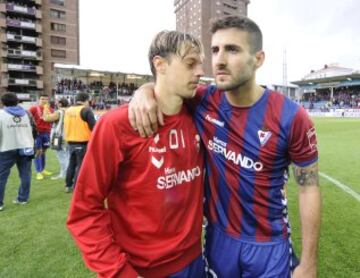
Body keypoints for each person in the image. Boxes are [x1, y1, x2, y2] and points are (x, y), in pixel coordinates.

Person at [129, 16, 321, 278]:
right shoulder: (203, 100)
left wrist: (309, 262)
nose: (218, 60)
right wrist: (144, 90)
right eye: (216, 49)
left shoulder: (291, 117)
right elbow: (166, 85)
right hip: (218, 240)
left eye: (232, 49)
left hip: (269, 244)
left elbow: (309, 187)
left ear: (258, 59)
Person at [67, 31, 206, 277]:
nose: (199, 72)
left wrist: (146, 88)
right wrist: (119, 272)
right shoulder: (116, 125)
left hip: (195, 260)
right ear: (160, 64)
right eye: (190, 63)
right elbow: (85, 210)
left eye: (201, 64)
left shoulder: (200, 112)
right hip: (141, 269)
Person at [0, 93, 35, 211]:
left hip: (6, 148)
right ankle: (23, 198)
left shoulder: (1, 114)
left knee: (1, 177)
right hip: (26, 147)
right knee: (25, 174)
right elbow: (35, 129)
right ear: (17, 101)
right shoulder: (27, 113)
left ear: (3, 102)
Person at [63, 91, 95, 193]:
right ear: (86, 100)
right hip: (82, 142)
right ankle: (77, 187)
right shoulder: (86, 110)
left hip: (70, 142)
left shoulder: (68, 110)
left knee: (71, 164)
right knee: (81, 166)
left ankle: (68, 185)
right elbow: (94, 127)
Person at [28, 94, 55, 180]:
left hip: (47, 133)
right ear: (39, 100)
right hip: (37, 134)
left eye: (46, 99)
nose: (44, 100)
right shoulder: (34, 108)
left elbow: (52, 120)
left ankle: (42, 169)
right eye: (42, 99)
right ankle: (38, 172)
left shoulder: (50, 109)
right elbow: (27, 117)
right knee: (38, 152)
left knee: (44, 151)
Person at [42, 98, 69, 180]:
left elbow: (46, 118)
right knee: (67, 156)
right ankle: (65, 174)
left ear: (60, 104)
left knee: (61, 156)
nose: (56, 104)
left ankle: (66, 174)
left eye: (58, 103)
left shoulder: (59, 112)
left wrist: (46, 107)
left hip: (58, 137)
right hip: (67, 136)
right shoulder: (68, 111)